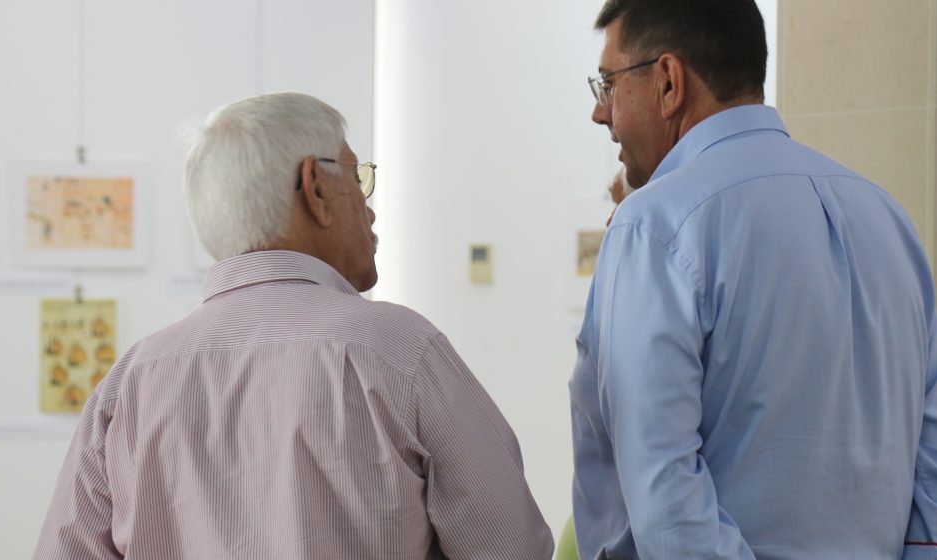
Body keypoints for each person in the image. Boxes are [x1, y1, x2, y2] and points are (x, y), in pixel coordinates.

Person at [33, 92, 554, 559]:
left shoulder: (131, 382)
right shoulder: (400, 351)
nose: (370, 210)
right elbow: (512, 548)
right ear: (315, 188)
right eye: (358, 178)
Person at [569, 1, 937, 559]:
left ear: (668, 82)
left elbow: (666, 500)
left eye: (609, 84)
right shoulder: (885, 216)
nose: (601, 113)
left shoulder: (656, 226)